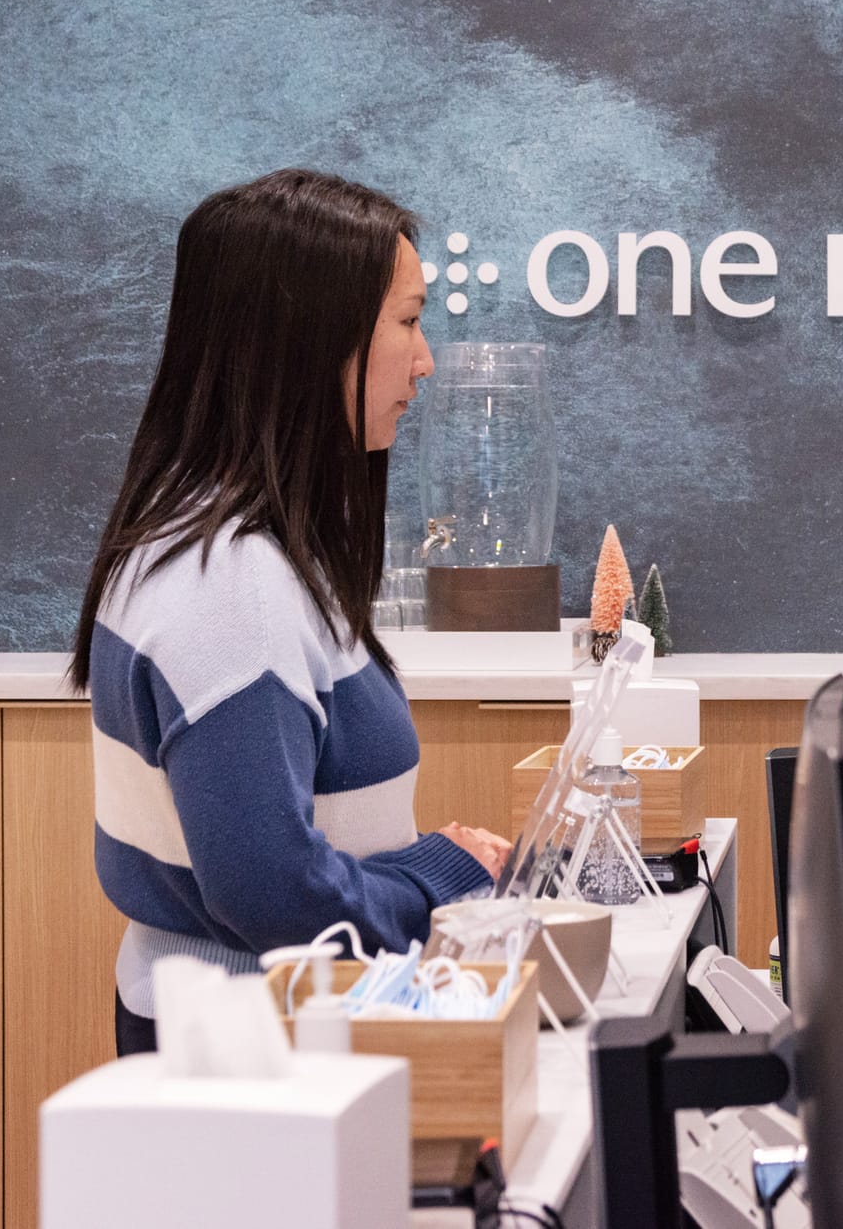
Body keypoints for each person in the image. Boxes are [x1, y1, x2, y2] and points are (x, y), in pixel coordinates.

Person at [70, 169, 514, 1056]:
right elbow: (274, 893)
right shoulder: (225, 584)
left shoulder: (225, 549)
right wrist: (442, 873)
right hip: (253, 1048)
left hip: (265, 1031)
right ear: (315, 340)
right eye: (409, 322)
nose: (424, 361)